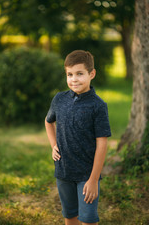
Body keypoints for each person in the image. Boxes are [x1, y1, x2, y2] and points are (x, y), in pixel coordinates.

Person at [45, 50, 111, 225]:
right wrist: (53, 145)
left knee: (88, 219)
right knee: (70, 216)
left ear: (92, 74)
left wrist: (93, 179)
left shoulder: (98, 106)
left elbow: (102, 144)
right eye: (70, 74)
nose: (74, 79)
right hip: (63, 171)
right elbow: (48, 122)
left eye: (79, 74)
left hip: (86, 175)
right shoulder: (59, 99)